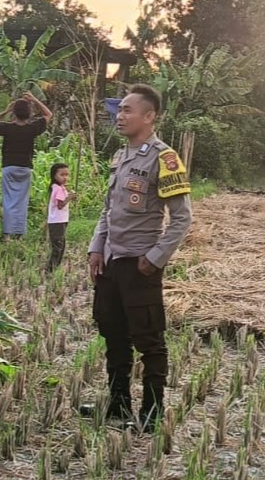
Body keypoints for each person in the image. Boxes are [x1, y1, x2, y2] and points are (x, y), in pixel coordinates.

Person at [88, 86, 193, 433]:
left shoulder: (164, 158)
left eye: (128, 110)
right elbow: (108, 210)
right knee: (114, 335)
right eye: (119, 110)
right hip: (111, 261)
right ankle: (118, 404)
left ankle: (152, 410)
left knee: (149, 340)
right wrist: (96, 247)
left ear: (149, 116)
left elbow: (182, 218)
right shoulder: (121, 156)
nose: (120, 116)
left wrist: (155, 258)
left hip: (139, 264)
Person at [0, 93, 52, 239]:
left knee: (8, 201)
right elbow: (48, 114)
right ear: (29, 113)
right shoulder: (32, 128)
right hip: (25, 168)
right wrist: (34, 99)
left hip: (8, 167)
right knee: (22, 202)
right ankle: (19, 233)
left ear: (14, 113)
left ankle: (6, 234)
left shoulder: (7, 127)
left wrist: (6, 111)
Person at [46, 162, 71, 272]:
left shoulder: (59, 187)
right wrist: (69, 198)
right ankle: (51, 269)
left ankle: (54, 268)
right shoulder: (58, 189)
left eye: (67, 175)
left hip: (60, 220)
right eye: (62, 175)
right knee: (58, 246)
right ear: (54, 176)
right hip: (57, 221)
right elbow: (60, 205)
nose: (65, 177)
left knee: (60, 245)